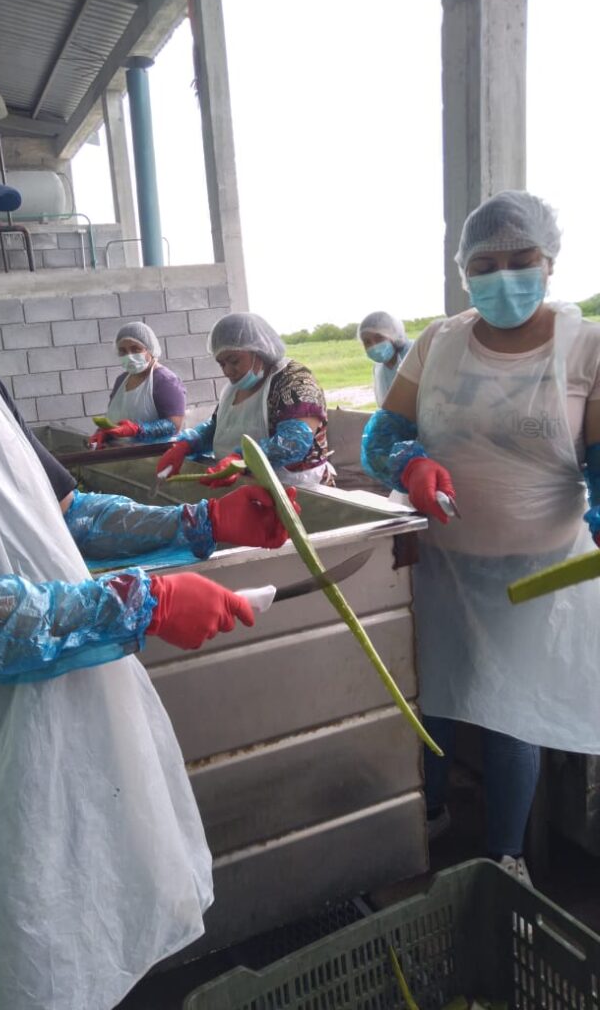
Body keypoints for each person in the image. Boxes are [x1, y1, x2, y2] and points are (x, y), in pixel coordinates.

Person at [0, 98, 296, 1010]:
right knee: (28, 968)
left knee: (102, 941)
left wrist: (203, 527)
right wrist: (145, 604)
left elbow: (67, 511)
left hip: (76, 726)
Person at [361, 190, 600, 885]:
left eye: (521, 260)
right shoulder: (438, 342)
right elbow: (382, 433)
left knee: (511, 713)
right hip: (441, 566)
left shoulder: (585, 346)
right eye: (485, 264)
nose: (504, 277)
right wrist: (408, 462)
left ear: (549, 261)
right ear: (464, 269)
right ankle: (428, 820)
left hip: (538, 573)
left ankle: (506, 858)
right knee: (434, 694)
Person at [156, 311, 335, 487]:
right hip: (247, 484)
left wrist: (242, 458)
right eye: (222, 364)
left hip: (297, 487)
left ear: (259, 350)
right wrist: (187, 444)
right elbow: (217, 427)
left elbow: (293, 443)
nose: (227, 371)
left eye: (234, 361)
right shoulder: (235, 387)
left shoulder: (295, 380)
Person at [87, 320, 186, 447]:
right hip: (118, 455)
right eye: (123, 351)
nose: (129, 356)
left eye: (135, 349)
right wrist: (103, 432)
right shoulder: (121, 381)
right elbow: (113, 418)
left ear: (150, 349)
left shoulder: (165, 381)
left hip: (151, 457)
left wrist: (137, 430)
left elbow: (174, 426)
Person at [357, 310, 414, 406]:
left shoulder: (414, 354)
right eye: (367, 342)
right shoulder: (378, 368)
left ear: (394, 334)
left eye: (379, 338)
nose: (374, 346)